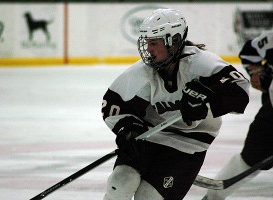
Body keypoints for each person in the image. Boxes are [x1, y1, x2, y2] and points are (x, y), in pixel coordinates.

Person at [101, 8, 250, 200]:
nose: (148, 49)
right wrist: (128, 130)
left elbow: (240, 91)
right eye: (147, 43)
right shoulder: (143, 72)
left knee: (149, 198)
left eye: (154, 43)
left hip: (189, 142)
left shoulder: (202, 65)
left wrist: (208, 100)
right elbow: (113, 105)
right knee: (120, 182)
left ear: (175, 41)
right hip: (150, 135)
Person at [202, 31, 273, 200]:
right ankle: (213, 197)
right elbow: (249, 51)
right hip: (271, 114)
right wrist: (257, 73)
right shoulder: (271, 40)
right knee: (250, 157)